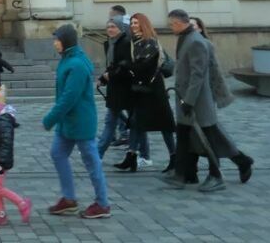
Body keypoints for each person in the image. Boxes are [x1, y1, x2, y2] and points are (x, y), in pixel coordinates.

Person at [163, 9, 253, 193]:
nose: (170, 27)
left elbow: (198, 75)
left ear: (179, 23)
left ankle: (216, 175)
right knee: (185, 137)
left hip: (197, 102)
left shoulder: (196, 41)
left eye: (171, 24)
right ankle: (184, 175)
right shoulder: (185, 39)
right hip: (186, 99)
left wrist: (189, 101)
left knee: (209, 139)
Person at [42, 24, 111, 220]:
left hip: (80, 122)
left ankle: (103, 203)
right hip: (68, 122)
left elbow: (69, 97)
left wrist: (50, 119)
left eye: (57, 39)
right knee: (57, 153)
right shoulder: (68, 59)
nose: (54, 43)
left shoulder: (77, 65)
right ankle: (69, 199)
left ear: (66, 41)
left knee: (91, 161)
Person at [118, 13, 176, 173]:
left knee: (164, 125)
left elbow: (145, 67)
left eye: (136, 22)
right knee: (136, 122)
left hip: (154, 90)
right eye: (132, 22)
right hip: (141, 89)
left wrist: (127, 66)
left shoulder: (150, 42)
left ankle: (174, 156)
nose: (133, 25)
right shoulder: (133, 41)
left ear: (143, 24)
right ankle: (131, 157)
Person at [0, 82, 32, 226]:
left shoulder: (2, 122)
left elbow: (6, 144)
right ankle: (0, 214)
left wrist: (1, 164)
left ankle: (22, 204)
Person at [96, 17, 132, 159]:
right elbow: (112, 66)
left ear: (120, 28)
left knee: (130, 122)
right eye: (108, 27)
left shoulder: (124, 43)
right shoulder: (112, 43)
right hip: (116, 88)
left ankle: (142, 153)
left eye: (113, 27)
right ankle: (98, 154)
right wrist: (103, 79)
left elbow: (124, 66)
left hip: (126, 88)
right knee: (113, 121)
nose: (110, 29)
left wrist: (107, 76)